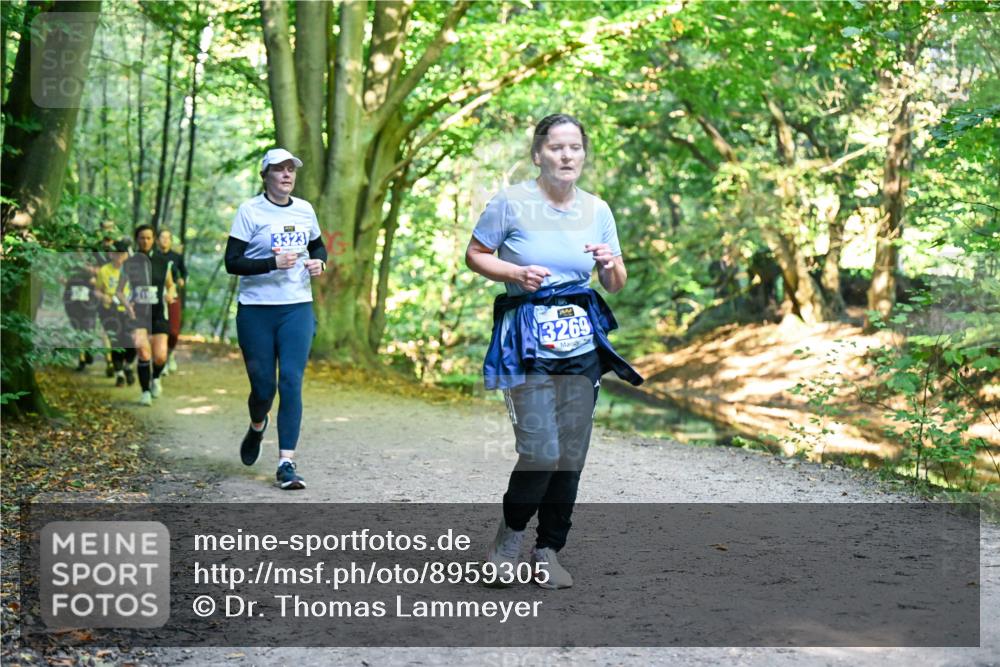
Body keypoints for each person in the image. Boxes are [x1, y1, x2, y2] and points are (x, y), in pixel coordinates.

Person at [465, 114, 643, 590]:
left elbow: (616, 281)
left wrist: (608, 265)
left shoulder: (598, 210)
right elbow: (476, 254)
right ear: (538, 154)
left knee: (571, 453)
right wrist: (513, 274)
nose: (567, 156)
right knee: (541, 450)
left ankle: (548, 551)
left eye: (575, 148)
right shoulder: (510, 203)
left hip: (581, 342)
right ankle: (509, 539)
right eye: (556, 148)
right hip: (526, 337)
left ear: (584, 154)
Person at [225, 148, 327, 490]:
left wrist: (319, 263)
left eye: (291, 170)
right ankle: (257, 425)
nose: (287, 174)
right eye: (279, 169)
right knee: (264, 387)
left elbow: (318, 247)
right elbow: (232, 262)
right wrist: (272, 263)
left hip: (296, 307)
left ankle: (286, 463)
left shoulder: (305, 209)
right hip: (256, 310)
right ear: (265, 175)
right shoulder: (250, 211)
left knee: (291, 382)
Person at [117, 225, 176, 406]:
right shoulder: (129, 263)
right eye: (142, 238)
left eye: (149, 238)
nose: (146, 241)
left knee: (160, 356)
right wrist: (127, 306)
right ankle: (145, 392)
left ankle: (155, 378)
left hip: (158, 313)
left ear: (154, 239)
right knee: (143, 351)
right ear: (137, 240)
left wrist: (170, 294)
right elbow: (119, 291)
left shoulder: (163, 262)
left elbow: (171, 285)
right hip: (138, 314)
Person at [95, 241, 136, 386]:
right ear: (111, 254)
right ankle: (119, 374)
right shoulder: (104, 270)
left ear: (127, 255)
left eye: (122, 254)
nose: (119, 257)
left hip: (129, 310)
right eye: (116, 253)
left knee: (131, 341)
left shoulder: (132, 270)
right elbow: (96, 290)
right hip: (110, 310)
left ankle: (128, 366)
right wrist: (103, 296)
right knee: (116, 341)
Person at [154, 228, 188, 374]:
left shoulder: (176, 256)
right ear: (157, 240)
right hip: (156, 296)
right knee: (160, 330)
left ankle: (170, 353)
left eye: (168, 238)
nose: (165, 240)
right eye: (162, 237)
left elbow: (184, 272)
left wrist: (181, 279)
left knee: (173, 332)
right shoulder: (153, 256)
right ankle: (160, 361)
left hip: (172, 296)